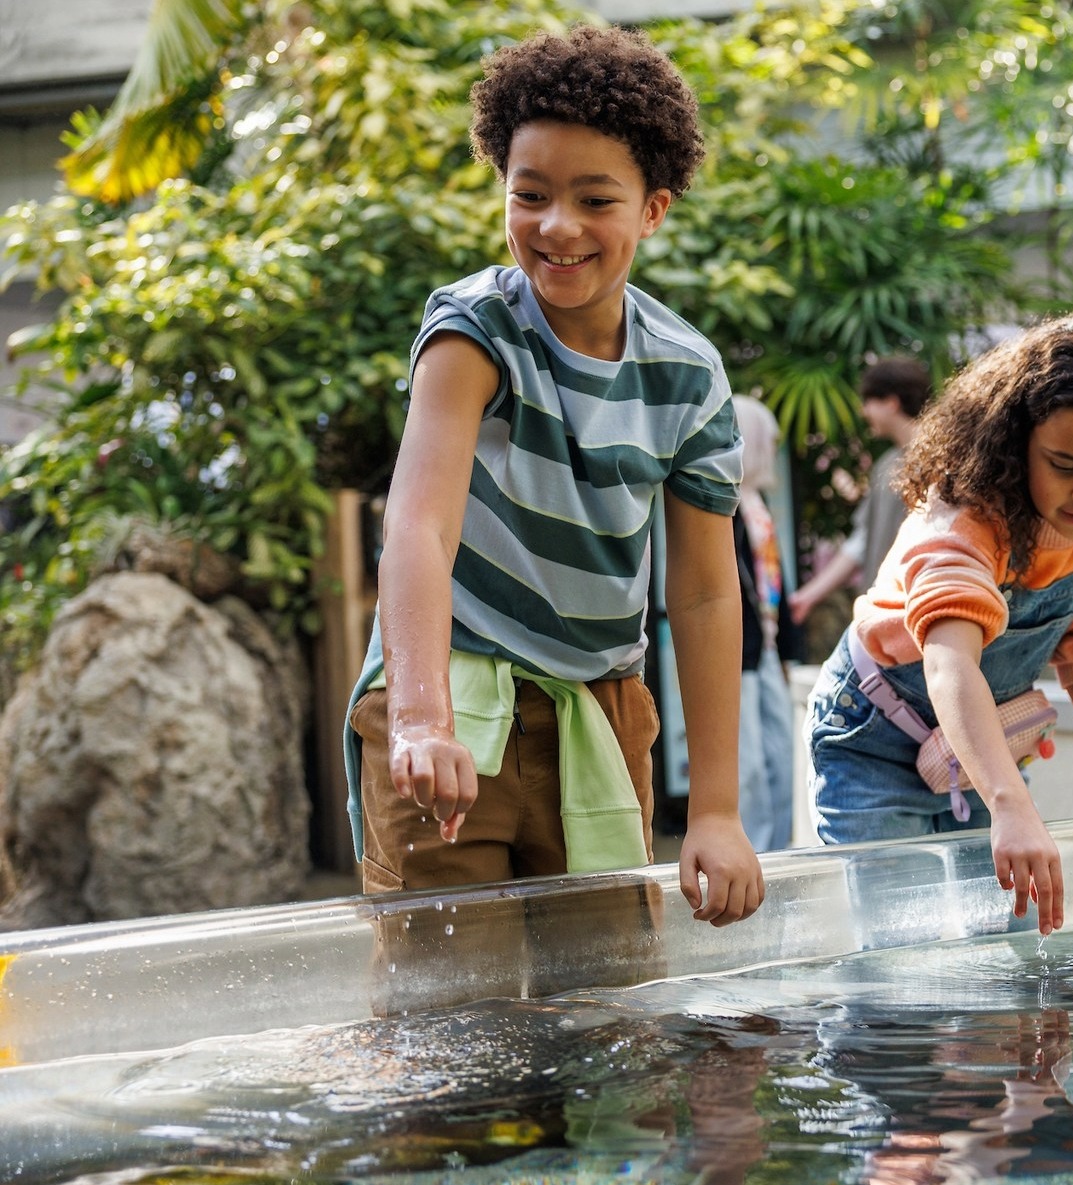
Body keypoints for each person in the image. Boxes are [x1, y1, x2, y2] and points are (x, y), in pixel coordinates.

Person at [343, 24, 765, 1009]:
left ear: (652, 210)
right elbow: (417, 527)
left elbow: (704, 596)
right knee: (449, 1012)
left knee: (610, 1011)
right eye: (528, 194)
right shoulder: (473, 328)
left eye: (594, 199)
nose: (556, 226)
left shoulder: (687, 373)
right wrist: (418, 716)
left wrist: (716, 810)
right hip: (455, 703)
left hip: (601, 717)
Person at [806, 313, 1073, 936]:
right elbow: (950, 663)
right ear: (1016, 441)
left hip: (974, 753)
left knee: (1001, 937)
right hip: (871, 739)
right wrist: (1010, 805)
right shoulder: (960, 524)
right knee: (903, 945)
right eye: (1065, 465)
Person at [788, 357, 931, 625]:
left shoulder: (943, 458)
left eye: (868, 402)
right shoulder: (887, 464)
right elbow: (861, 543)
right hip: (886, 615)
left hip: (924, 612)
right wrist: (807, 597)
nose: (864, 412)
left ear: (891, 402)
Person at [730, 395, 799, 852]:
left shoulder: (754, 505)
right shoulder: (726, 505)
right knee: (747, 762)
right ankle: (750, 850)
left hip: (767, 650)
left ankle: (776, 850)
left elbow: (775, 582)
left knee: (781, 752)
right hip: (737, 655)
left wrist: (790, 649)